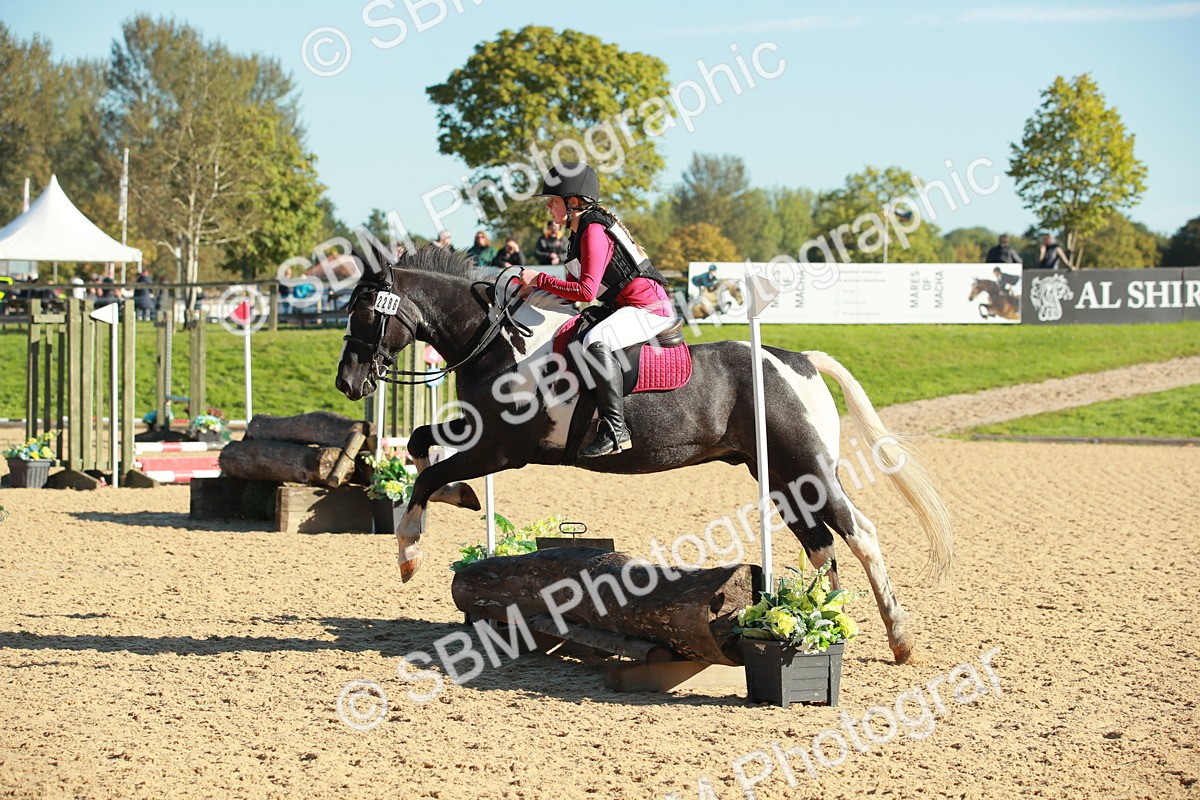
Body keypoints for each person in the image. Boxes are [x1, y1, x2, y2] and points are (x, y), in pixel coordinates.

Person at [517, 162, 673, 458]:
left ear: (573, 202)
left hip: (647, 307)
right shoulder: (578, 233)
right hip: (623, 305)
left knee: (595, 340)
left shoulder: (593, 230)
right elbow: (570, 288)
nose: (549, 207)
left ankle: (616, 429)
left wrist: (539, 278)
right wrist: (533, 291)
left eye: (553, 200)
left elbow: (586, 292)